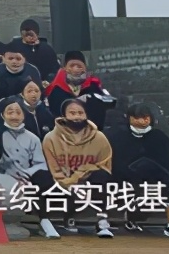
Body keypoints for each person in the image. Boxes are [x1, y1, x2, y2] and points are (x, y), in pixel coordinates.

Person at [105, 104, 169, 239]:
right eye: (137, 118)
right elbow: (115, 160)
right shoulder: (118, 136)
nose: (141, 121)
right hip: (125, 175)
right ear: (129, 118)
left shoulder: (160, 137)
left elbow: (167, 162)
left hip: (155, 176)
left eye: (145, 118)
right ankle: (110, 221)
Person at [41, 98, 115, 238]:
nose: (77, 116)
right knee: (45, 179)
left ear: (86, 115)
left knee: (102, 177)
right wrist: (67, 181)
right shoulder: (50, 138)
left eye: (80, 113)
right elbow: (52, 167)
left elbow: (105, 164)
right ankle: (64, 220)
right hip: (61, 179)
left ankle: (102, 222)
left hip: (88, 177)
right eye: (72, 113)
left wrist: (80, 174)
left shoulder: (99, 137)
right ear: (63, 116)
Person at [0, 97, 58, 239]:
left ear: (24, 115)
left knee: (44, 177)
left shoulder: (32, 138)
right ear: (2, 115)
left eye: (18, 112)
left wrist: (26, 175)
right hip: (3, 179)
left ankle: (44, 220)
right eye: (10, 112)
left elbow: (40, 163)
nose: (14, 116)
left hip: (26, 177)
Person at [45, 51, 115, 131]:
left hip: (93, 131)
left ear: (85, 68)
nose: (75, 69)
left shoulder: (94, 86)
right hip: (65, 134)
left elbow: (110, 103)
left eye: (79, 66)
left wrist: (92, 98)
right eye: (72, 66)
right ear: (65, 68)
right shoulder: (56, 90)